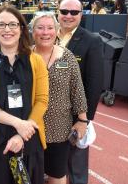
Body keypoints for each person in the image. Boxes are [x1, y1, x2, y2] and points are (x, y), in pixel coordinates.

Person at [0, 6, 49, 184]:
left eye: (12, 24)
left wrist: (22, 133)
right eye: (1, 24)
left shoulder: (36, 60)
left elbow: (42, 101)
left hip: (30, 140)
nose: (7, 29)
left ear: (22, 28)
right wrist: (18, 124)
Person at [31, 12, 88, 184]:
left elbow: (77, 89)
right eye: (40, 28)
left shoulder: (67, 56)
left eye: (50, 28)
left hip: (59, 129)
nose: (45, 32)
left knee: (57, 174)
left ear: (57, 31)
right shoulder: (25, 56)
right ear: (33, 31)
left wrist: (82, 120)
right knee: (31, 174)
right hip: (31, 127)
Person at [57, 0, 104, 184]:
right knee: (54, 164)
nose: (68, 16)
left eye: (74, 12)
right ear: (57, 12)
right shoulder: (47, 35)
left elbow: (94, 83)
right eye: (64, 11)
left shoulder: (92, 41)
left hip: (75, 114)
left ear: (81, 14)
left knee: (76, 166)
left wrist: (85, 119)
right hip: (49, 113)